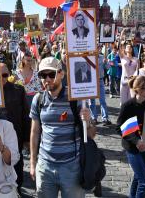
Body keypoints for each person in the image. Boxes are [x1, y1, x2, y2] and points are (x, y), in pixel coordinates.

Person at [29, 57, 95, 198]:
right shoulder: (38, 99)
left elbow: (91, 134)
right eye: (42, 75)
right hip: (45, 166)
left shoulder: (75, 98)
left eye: (51, 74)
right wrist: (33, 162)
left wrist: (88, 121)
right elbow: (35, 132)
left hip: (71, 167)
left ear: (61, 74)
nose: (47, 79)